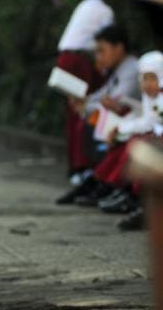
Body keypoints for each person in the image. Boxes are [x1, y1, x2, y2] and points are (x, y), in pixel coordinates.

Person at [56, 25, 140, 205]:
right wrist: (85, 102)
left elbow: (116, 101)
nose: (98, 57)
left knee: (104, 127)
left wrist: (86, 105)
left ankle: (104, 184)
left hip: (133, 123)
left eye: (102, 51)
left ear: (119, 48)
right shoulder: (120, 68)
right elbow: (104, 95)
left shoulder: (132, 69)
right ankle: (97, 181)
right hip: (129, 123)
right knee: (93, 122)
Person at [56, 0, 114, 179]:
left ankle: (75, 166)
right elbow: (106, 43)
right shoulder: (105, 11)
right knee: (83, 111)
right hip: (79, 62)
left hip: (65, 59)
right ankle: (83, 167)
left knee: (73, 113)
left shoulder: (85, 4)